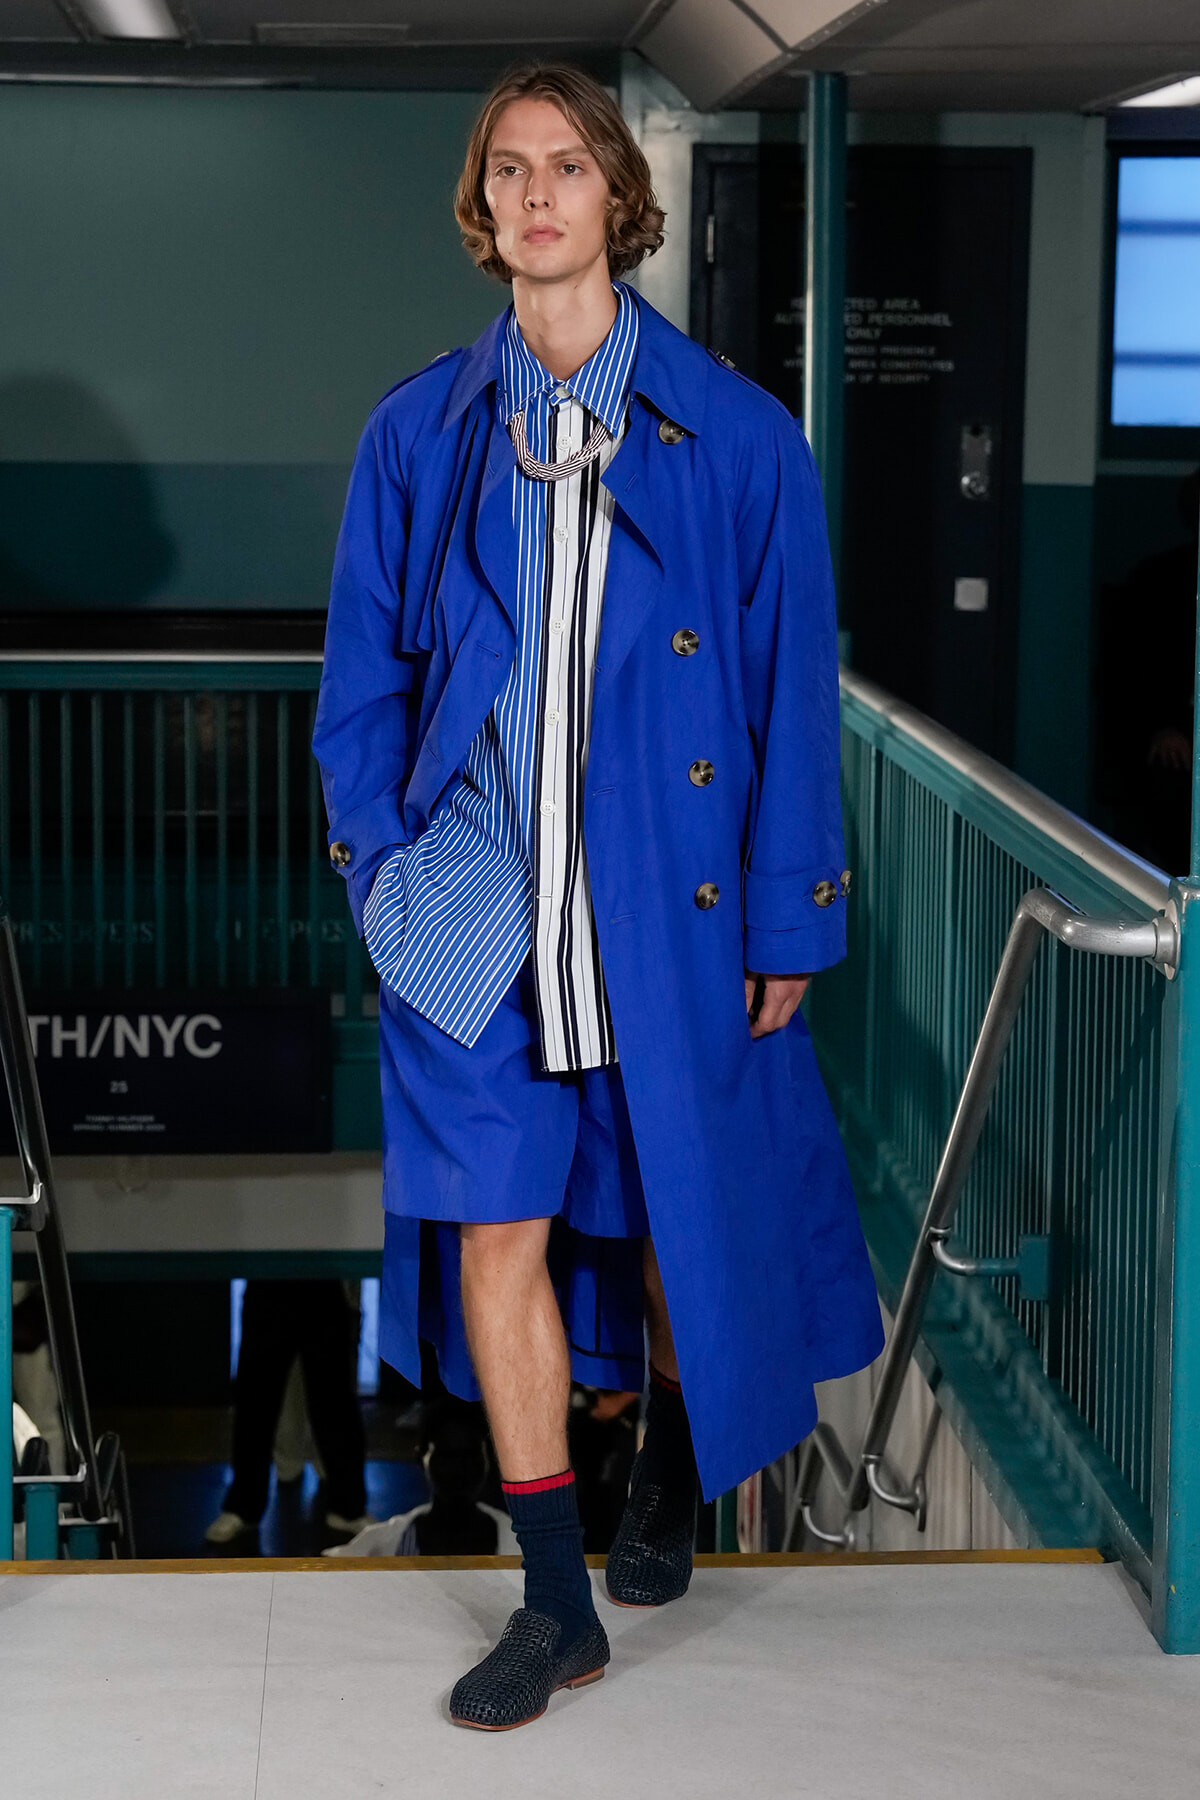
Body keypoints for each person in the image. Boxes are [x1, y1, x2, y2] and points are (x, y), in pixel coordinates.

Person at [312, 61, 883, 1730]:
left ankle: (672, 1470)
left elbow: (791, 692)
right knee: (498, 1226)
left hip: (668, 913)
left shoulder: (738, 438)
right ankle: (555, 1607)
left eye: (569, 167)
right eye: (510, 170)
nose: (540, 195)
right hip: (475, 915)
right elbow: (360, 688)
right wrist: (382, 875)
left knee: (669, 1232)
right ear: (483, 210)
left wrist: (794, 919)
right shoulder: (417, 431)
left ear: (619, 200)